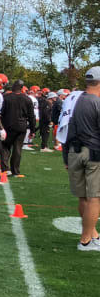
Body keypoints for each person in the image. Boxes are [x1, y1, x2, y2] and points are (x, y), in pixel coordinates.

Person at [63, 66, 100, 251]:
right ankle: (86, 240)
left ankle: (93, 234)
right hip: (93, 153)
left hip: (74, 151)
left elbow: (68, 127)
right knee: (95, 198)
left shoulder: (76, 99)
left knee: (83, 197)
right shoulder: (96, 102)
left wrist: (65, 156)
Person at [1, 79, 36, 177]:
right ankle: (15, 170)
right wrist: (32, 130)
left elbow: (1, 113)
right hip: (21, 126)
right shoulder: (27, 99)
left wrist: (0, 126)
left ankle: (5, 169)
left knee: (5, 147)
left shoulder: (6, 98)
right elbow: (31, 116)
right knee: (17, 149)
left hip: (7, 125)